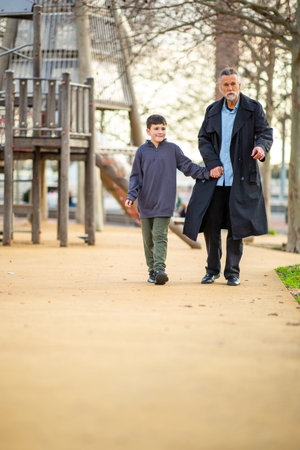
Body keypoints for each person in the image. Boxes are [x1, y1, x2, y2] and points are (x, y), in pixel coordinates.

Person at [183, 68, 273, 286]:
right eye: (226, 85)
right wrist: (212, 164)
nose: (230, 88)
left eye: (233, 84)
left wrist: (261, 147)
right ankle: (211, 270)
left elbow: (265, 133)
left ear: (239, 85)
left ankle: (232, 272)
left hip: (241, 179)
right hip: (216, 179)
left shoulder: (253, 108)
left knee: (237, 227)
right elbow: (203, 138)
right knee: (211, 224)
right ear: (220, 87)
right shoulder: (212, 110)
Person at [125, 114, 222, 285]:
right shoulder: (141, 151)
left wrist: (207, 172)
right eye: (156, 128)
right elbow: (135, 177)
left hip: (165, 202)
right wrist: (131, 196)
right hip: (145, 203)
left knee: (160, 236)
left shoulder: (172, 149)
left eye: (163, 128)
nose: (160, 131)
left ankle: (160, 270)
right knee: (148, 240)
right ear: (148, 131)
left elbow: (188, 166)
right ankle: (152, 271)